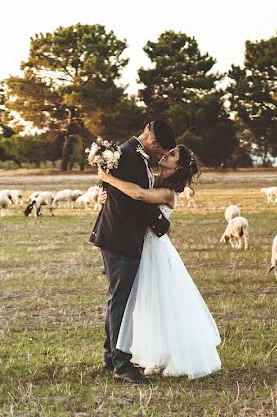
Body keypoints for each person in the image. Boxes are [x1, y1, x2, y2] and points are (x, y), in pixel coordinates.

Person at [97, 144, 222, 380]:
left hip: (154, 250)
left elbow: (139, 195)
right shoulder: (149, 177)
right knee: (137, 302)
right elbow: (128, 194)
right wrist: (103, 193)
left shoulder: (169, 193)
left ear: (178, 167)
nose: (166, 154)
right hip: (136, 245)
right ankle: (126, 354)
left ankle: (163, 354)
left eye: (173, 154)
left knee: (160, 302)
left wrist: (107, 177)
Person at [90, 119, 175, 384]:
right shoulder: (129, 156)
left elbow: (119, 188)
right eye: (161, 150)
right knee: (122, 301)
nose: (161, 156)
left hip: (122, 235)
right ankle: (120, 363)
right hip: (120, 237)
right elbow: (134, 198)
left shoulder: (133, 156)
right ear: (153, 142)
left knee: (119, 298)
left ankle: (111, 355)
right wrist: (161, 223)